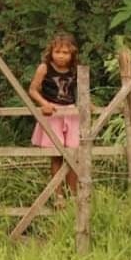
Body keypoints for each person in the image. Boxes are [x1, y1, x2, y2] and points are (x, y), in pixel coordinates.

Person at [29, 31, 81, 199]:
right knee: (57, 155)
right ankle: (58, 196)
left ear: (72, 53)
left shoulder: (75, 70)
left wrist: (88, 106)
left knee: (73, 155)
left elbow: (79, 91)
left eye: (65, 52)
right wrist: (44, 104)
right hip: (53, 113)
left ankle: (73, 195)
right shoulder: (44, 68)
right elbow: (33, 90)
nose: (61, 56)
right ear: (51, 52)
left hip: (71, 113)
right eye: (57, 52)